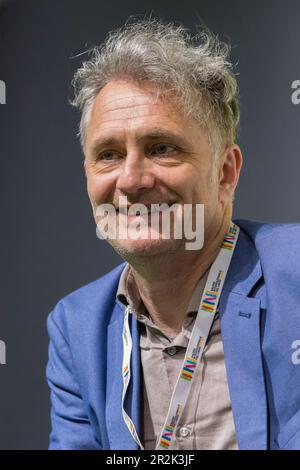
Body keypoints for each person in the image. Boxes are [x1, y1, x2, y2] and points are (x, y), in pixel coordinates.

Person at [46, 19, 300, 450]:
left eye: (162, 148)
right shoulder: (76, 326)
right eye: (108, 155)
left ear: (225, 172)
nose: (131, 179)